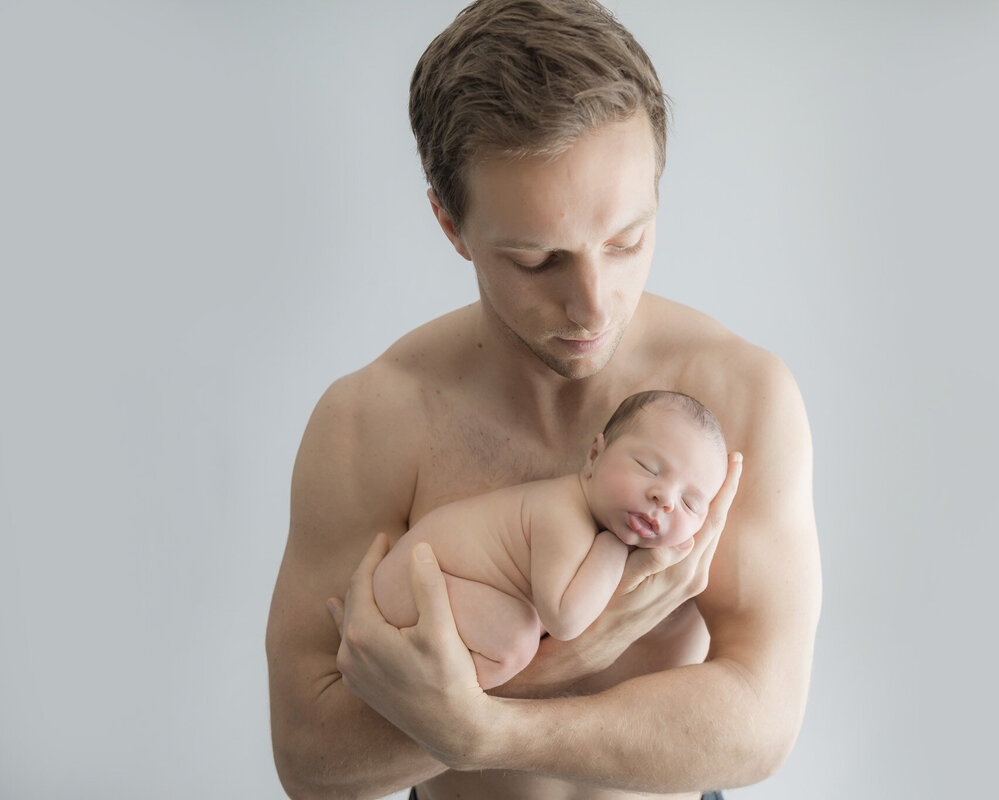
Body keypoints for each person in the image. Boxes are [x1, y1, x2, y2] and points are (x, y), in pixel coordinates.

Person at [265, 1, 822, 799]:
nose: (595, 305)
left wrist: (484, 728)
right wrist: (570, 659)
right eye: (536, 261)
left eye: (627, 241)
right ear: (450, 223)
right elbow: (311, 758)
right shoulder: (372, 423)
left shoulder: (737, 396)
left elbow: (762, 724)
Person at [373, 390, 731, 690]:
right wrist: (613, 550)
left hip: (426, 583)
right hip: (414, 582)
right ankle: (437, 703)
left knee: (515, 632)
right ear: (594, 456)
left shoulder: (585, 517)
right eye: (648, 468)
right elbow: (565, 620)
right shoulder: (564, 516)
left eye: (690, 503)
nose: (665, 498)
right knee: (515, 639)